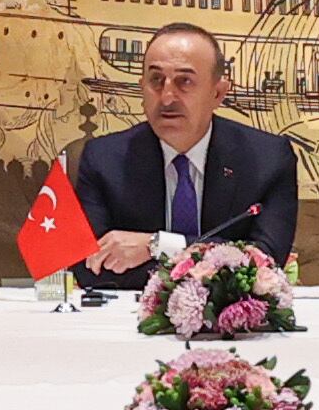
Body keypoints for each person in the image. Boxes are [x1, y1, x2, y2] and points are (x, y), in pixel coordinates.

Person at [73, 23, 300, 287]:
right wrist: (216, 261)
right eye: (156, 80)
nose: (167, 97)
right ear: (142, 87)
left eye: (185, 82)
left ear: (218, 93)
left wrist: (157, 245)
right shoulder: (104, 160)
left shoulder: (268, 159)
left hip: (232, 313)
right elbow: (91, 267)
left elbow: (264, 261)